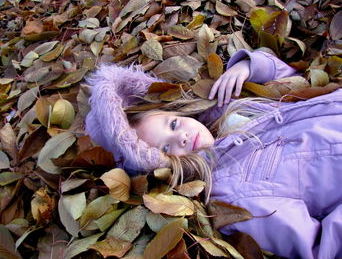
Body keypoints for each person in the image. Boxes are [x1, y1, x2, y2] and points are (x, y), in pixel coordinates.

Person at [85, 49, 342, 259]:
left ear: (178, 112)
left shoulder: (224, 105)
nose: (182, 136)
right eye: (166, 148)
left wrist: (248, 67)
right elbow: (321, 246)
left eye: (173, 124)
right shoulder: (230, 196)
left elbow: (294, 83)